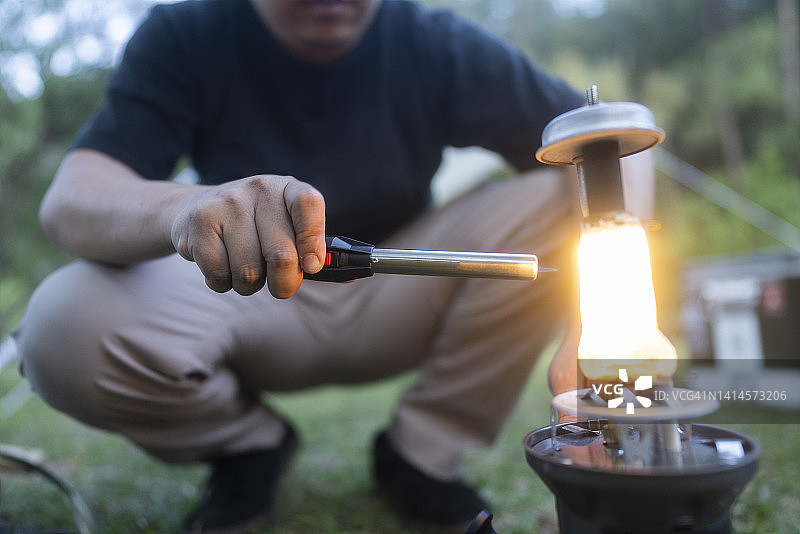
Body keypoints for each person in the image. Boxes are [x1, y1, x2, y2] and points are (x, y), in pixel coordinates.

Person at [11, 0, 653, 532]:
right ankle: (246, 446)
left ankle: (422, 455)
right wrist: (189, 205)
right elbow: (72, 197)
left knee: (571, 185)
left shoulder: (428, 39)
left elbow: (613, 149)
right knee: (62, 323)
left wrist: (593, 319)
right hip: (246, 293)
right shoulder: (187, 33)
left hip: (406, 286)